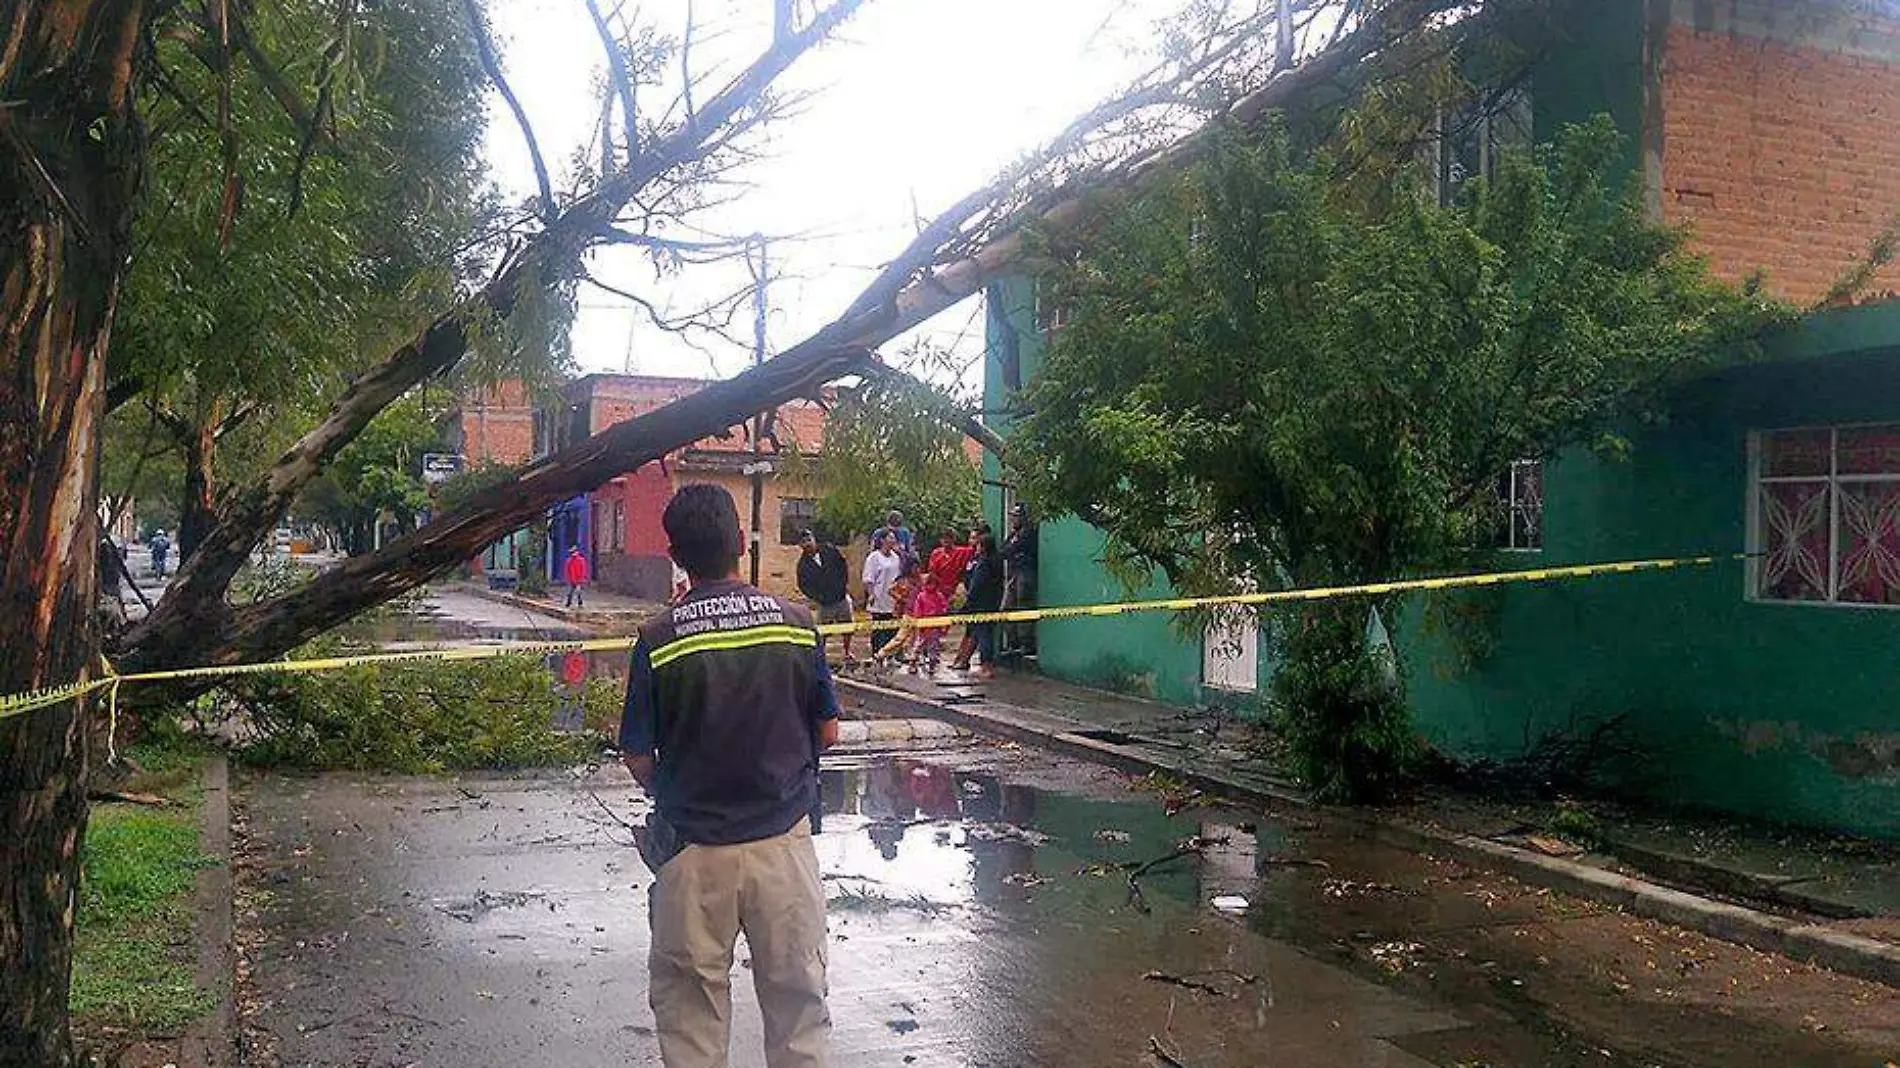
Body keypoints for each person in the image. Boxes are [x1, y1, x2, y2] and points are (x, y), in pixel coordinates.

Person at [619, 483, 839, 1068]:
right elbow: (828, 731)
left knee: (692, 1023)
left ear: (675, 554)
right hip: (783, 851)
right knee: (798, 1013)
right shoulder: (796, 625)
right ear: (741, 542)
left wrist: (673, 789)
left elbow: (638, 755)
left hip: (693, 855)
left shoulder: (659, 640)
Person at [796, 530, 854, 661]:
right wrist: (818, 598)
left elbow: (842, 566)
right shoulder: (803, 565)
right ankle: (820, 656)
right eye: (803, 542)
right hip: (825, 603)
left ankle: (847, 652)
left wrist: (843, 585)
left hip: (841, 597)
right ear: (800, 545)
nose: (807, 544)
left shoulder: (829, 551)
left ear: (814, 539)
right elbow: (803, 585)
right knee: (822, 632)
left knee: (848, 627)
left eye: (809, 540)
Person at [953, 534, 1005, 678]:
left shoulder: (983, 563)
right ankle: (965, 660)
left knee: (983, 634)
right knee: (979, 633)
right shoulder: (997, 560)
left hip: (980, 605)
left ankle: (986, 665)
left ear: (983, 547)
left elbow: (977, 586)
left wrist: (967, 604)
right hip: (993, 602)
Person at [905, 574, 951, 674]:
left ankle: (932, 664)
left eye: (933, 584)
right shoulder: (921, 596)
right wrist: (919, 623)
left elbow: (944, 609)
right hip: (924, 627)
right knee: (918, 646)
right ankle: (913, 662)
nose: (931, 587)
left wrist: (943, 624)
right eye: (929, 584)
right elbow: (917, 611)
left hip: (935, 627)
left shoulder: (939, 596)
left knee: (934, 647)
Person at [926, 529, 972, 599]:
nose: (945, 540)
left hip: (955, 592)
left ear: (953, 539)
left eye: (948, 537)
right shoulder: (936, 553)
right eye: (943, 538)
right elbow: (931, 572)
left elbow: (975, 548)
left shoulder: (962, 552)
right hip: (938, 591)